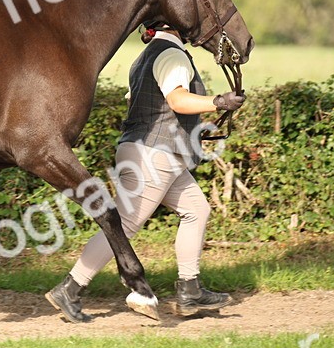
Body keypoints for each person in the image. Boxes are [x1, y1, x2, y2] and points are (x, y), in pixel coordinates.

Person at [45, 20, 246, 321]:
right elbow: (176, 100)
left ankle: (190, 290)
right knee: (124, 225)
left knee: (196, 209)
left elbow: (151, 109)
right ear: (177, 26)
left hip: (155, 152)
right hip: (155, 156)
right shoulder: (174, 55)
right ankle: (71, 288)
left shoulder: (146, 56)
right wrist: (218, 102)